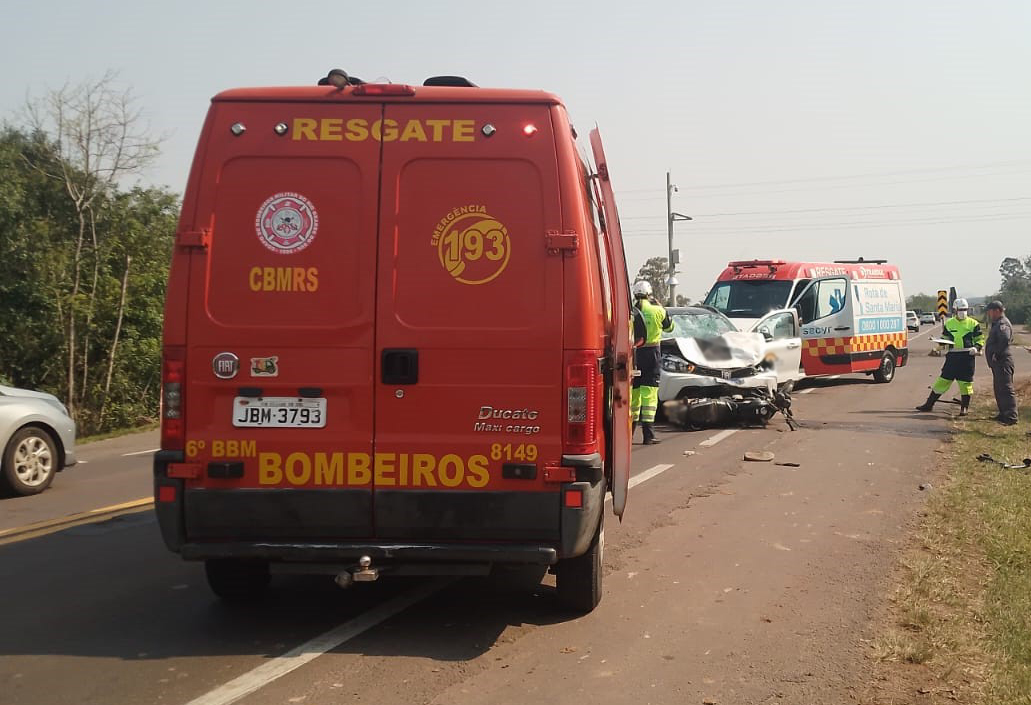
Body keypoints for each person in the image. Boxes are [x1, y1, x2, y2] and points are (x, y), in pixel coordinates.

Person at [916, 298, 985, 416]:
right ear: (955, 310)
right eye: (960, 309)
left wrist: (977, 348)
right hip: (952, 357)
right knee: (942, 381)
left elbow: (980, 339)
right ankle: (929, 404)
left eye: (965, 309)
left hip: (967, 356)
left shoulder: (973, 323)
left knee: (965, 384)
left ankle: (964, 408)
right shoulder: (949, 323)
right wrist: (937, 348)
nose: (962, 312)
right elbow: (945, 339)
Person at [631, 280, 673, 444]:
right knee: (649, 395)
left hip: (634, 355)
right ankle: (649, 435)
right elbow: (670, 328)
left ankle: (629, 433)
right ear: (649, 294)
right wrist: (661, 306)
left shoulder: (630, 312)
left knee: (634, 395)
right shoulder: (658, 310)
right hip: (652, 355)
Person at [984, 300, 1018, 425]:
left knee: (1006, 388)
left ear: (997, 311)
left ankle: (1011, 416)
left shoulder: (1003, 324)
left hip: (1003, 361)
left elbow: (1004, 339)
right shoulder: (997, 323)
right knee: (999, 388)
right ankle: (1003, 413)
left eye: (990, 311)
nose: (989, 314)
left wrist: (996, 355)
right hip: (998, 362)